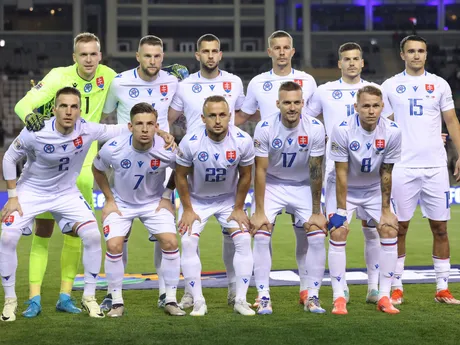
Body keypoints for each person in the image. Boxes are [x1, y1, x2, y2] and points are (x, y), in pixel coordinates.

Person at [1, 87, 129, 321]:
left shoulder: (87, 129)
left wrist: (159, 131)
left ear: (80, 110)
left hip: (66, 193)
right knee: (7, 237)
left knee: (91, 235)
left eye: (74, 107)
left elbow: (120, 128)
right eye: (63, 106)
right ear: (54, 109)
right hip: (32, 191)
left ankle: (88, 297)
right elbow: (9, 158)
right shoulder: (36, 131)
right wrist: (12, 196)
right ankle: (10, 301)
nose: (69, 111)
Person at [13, 32, 117, 317]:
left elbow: (136, 83)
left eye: (93, 54)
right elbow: (22, 104)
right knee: (43, 232)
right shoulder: (59, 77)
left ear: (100, 56)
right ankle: (34, 299)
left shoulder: (109, 76)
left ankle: (65, 296)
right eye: (82, 54)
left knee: (76, 235)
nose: (88, 59)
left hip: (82, 168)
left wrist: (165, 71)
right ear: (74, 57)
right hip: (49, 166)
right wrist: (29, 117)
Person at [101, 35, 188, 310]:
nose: (153, 61)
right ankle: (113, 294)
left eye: (158, 56)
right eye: (147, 56)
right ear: (137, 56)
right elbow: (107, 113)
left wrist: (161, 133)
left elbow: (171, 115)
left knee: (163, 235)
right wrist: (127, 138)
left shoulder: (172, 81)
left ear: (163, 57)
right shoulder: (119, 82)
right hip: (127, 155)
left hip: (159, 157)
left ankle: (166, 293)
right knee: (120, 238)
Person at [305, 42, 392, 303]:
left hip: (370, 173)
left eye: (356, 58)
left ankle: (373, 288)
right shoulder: (325, 91)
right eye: (347, 59)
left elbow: (388, 126)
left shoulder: (375, 91)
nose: (352, 63)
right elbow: (307, 121)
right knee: (337, 230)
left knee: (374, 230)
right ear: (339, 63)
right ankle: (339, 289)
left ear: (363, 63)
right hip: (335, 170)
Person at [239, 30, 319, 307]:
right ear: (270, 51)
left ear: (292, 51)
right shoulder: (259, 83)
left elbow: (314, 117)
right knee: (260, 232)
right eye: (277, 48)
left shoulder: (308, 81)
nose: (282, 52)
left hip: (302, 179)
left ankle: (308, 293)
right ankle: (263, 296)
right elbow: (245, 114)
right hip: (271, 177)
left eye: (287, 47)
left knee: (310, 235)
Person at [168, 34, 246, 308]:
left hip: (226, 165)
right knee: (190, 236)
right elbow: (170, 119)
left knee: (232, 235)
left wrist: (234, 137)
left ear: (220, 55)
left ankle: (235, 289)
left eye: (215, 51)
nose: (211, 56)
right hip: (194, 165)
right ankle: (191, 293)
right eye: (205, 51)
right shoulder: (185, 85)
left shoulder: (234, 82)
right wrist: (176, 142)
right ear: (197, 56)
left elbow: (242, 113)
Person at [381, 35, 460, 305]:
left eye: (421, 51)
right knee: (399, 228)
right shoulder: (390, 85)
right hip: (402, 166)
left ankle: (442, 288)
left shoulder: (439, 84)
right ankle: (397, 286)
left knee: (440, 228)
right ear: (402, 55)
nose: (416, 55)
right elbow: (383, 125)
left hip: (436, 166)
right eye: (411, 51)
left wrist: (459, 154)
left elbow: (452, 121)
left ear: (426, 54)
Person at [92, 102, 184, 317]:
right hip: (121, 204)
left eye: (150, 124)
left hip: (153, 203)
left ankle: (169, 299)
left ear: (156, 126)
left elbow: (181, 170)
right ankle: (116, 301)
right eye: (139, 124)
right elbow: (97, 169)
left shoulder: (166, 149)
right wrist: (109, 200)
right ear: (130, 126)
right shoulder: (113, 147)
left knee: (170, 242)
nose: (145, 129)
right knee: (114, 245)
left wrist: (166, 196)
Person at [250, 81, 327, 314]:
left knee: (315, 236)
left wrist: (316, 211)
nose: (292, 107)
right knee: (262, 233)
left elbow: (316, 171)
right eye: (287, 102)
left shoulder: (315, 127)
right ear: (278, 104)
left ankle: (312, 296)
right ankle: (263, 295)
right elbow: (260, 170)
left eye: (296, 102)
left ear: (303, 103)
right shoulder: (264, 127)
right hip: (273, 183)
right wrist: (260, 210)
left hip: (303, 184)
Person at [175, 95, 254, 316]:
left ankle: (240, 299)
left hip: (228, 200)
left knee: (244, 239)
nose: (218, 120)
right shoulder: (190, 142)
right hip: (197, 201)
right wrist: (188, 210)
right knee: (188, 241)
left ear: (230, 116)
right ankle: (198, 300)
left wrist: (239, 207)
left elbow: (246, 175)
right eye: (212, 115)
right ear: (203, 118)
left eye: (222, 115)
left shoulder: (243, 140)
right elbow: (180, 176)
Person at [327, 85, 402, 315]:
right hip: (344, 188)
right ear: (356, 107)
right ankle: (339, 295)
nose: (371, 111)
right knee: (338, 231)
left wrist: (386, 209)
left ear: (382, 107)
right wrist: (340, 209)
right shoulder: (342, 129)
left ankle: (383, 295)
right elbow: (340, 172)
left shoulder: (392, 131)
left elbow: (387, 172)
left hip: (373, 189)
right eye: (366, 106)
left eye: (376, 106)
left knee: (389, 229)